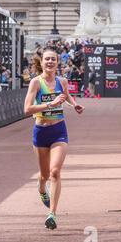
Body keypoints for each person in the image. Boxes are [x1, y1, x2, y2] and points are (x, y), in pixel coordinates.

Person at [24, 47, 85, 230]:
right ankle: (42, 188)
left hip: (59, 130)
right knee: (44, 175)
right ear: (41, 62)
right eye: (47, 59)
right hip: (41, 131)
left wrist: (74, 104)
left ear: (58, 63)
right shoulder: (35, 82)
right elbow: (27, 109)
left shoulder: (62, 81)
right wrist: (49, 104)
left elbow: (65, 95)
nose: (50, 62)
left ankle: (52, 214)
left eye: (53, 59)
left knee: (55, 172)